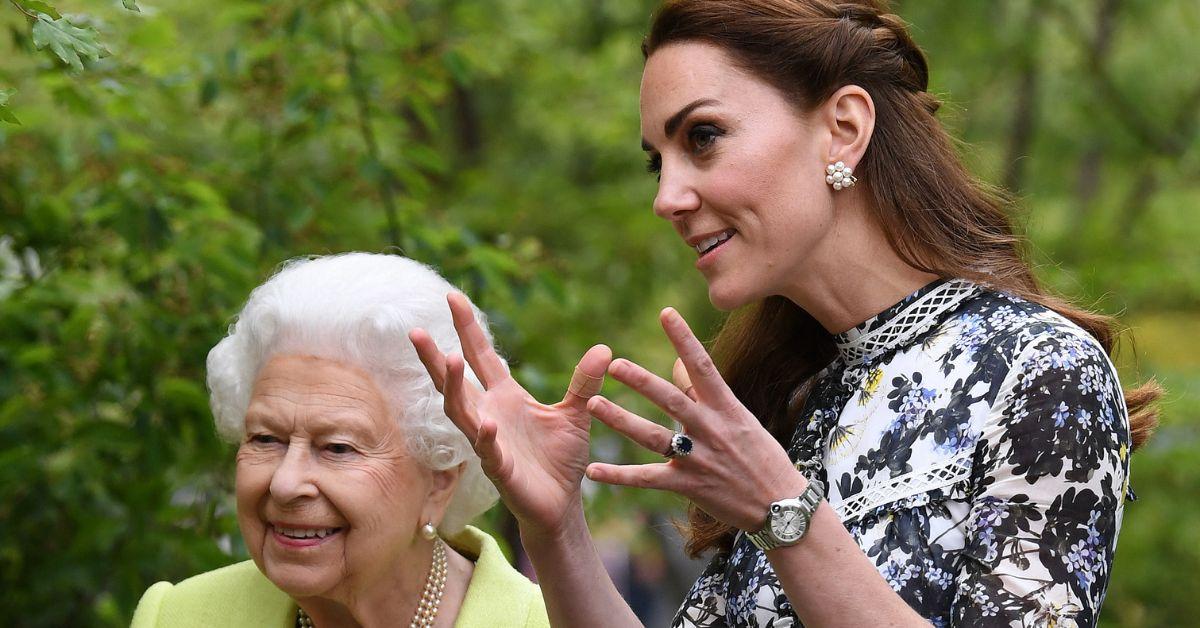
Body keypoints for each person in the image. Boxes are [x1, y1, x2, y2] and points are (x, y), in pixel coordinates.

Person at [410, 1, 1161, 627]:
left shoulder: (1039, 370)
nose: (666, 197)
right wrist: (557, 526)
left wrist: (783, 513)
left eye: (702, 137)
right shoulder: (789, 398)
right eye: (657, 160)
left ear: (842, 128)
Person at [131, 253, 549, 628]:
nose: (285, 484)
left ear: (439, 479)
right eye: (265, 439)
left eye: (337, 447)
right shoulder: (177, 616)